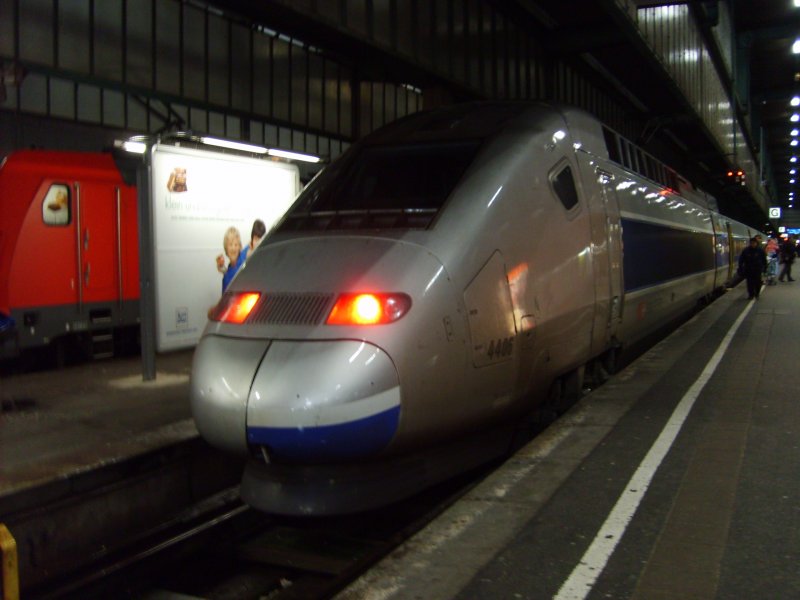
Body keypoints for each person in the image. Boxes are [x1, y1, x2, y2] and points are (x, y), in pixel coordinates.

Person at [216, 226, 246, 292]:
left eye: (236, 245)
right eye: (230, 245)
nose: (233, 248)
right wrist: (224, 271)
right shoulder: (227, 274)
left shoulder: (245, 262)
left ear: (240, 247)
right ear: (226, 248)